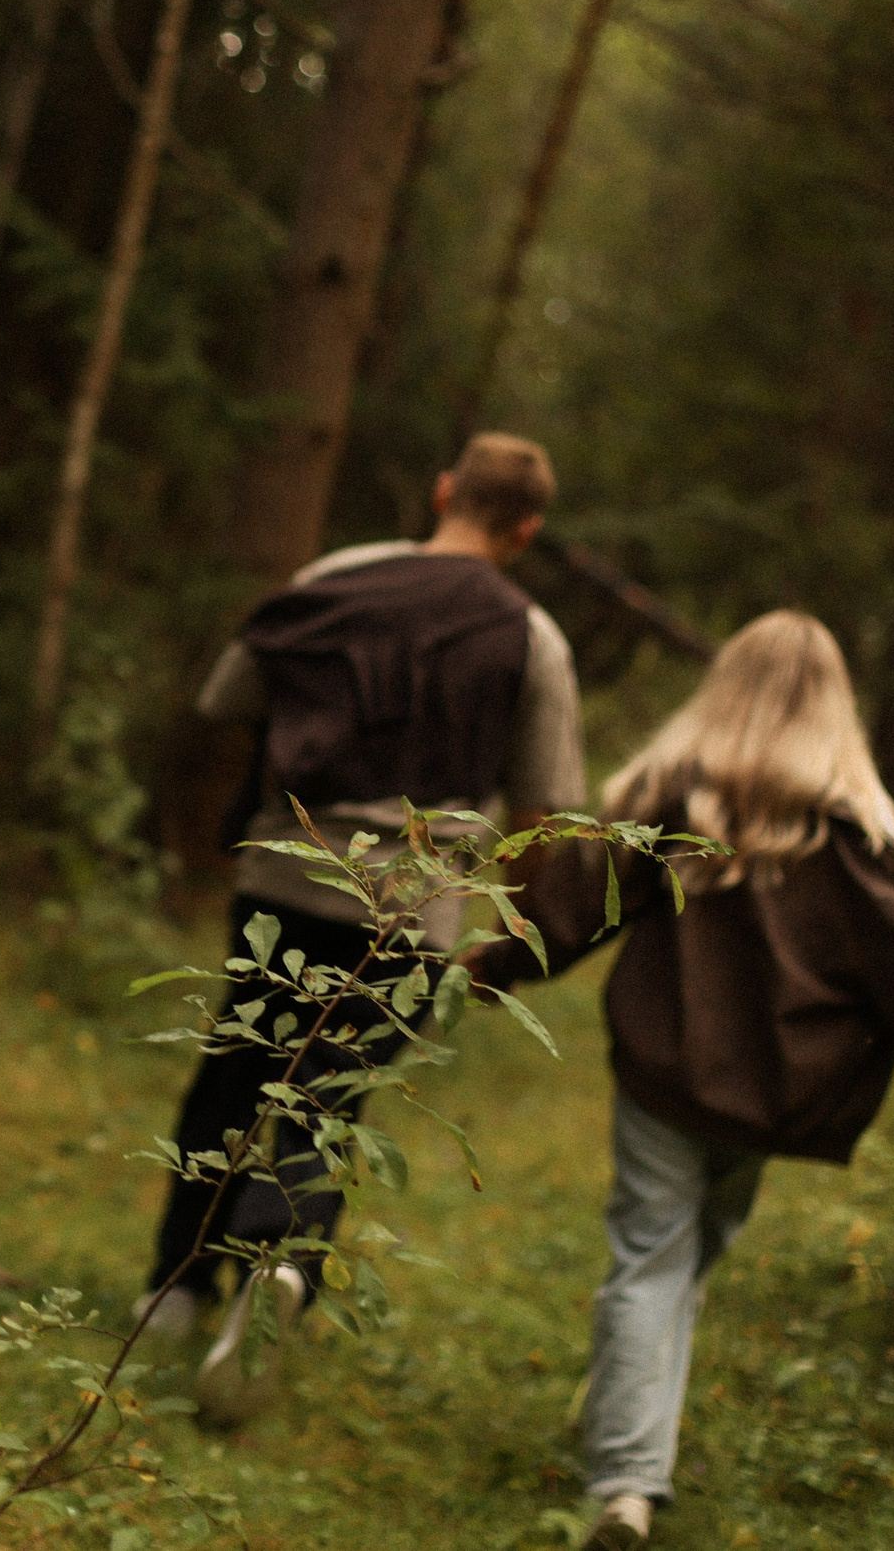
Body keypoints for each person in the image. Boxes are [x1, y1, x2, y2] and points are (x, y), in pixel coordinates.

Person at [471, 611, 894, 1550]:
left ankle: (628, 1460)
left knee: (658, 1257)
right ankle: (631, 1469)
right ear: (838, 712)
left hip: (667, 1078)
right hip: (775, 1100)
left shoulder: (678, 803)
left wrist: (487, 964)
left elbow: (568, 908)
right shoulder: (854, 845)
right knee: (672, 1254)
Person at [145, 432, 587, 1425]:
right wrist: (502, 917)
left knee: (235, 1064)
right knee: (328, 1092)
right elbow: (549, 808)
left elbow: (226, 695)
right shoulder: (532, 636)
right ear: (525, 531)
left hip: (285, 875)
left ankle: (173, 1291)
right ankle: (281, 1268)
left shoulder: (337, 577)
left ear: (441, 492)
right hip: (415, 908)